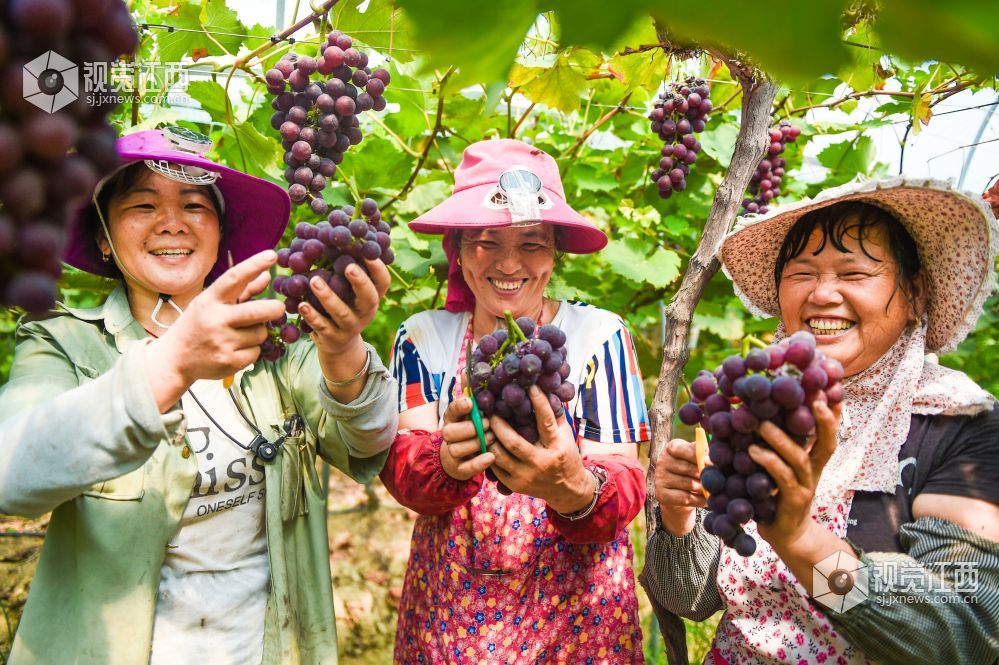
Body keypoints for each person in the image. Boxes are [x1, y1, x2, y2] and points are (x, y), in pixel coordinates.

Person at [0, 127, 398, 665]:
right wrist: (175, 361)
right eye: (142, 204)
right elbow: (10, 474)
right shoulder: (62, 343)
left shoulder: (273, 343)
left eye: (195, 205)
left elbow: (368, 439)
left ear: (219, 234)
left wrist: (344, 346)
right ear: (104, 238)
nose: (172, 221)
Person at [641, 178, 999, 664]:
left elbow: (962, 635)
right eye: (802, 272)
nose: (823, 294)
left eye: (854, 273)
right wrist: (680, 519)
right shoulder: (762, 408)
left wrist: (802, 543)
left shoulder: (957, 424)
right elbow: (694, 600)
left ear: (915, 293)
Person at [379, 139, 650, 663]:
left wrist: (575, 489)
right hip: (452, 618)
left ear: (554, 252)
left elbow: (624, 483)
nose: (508, 263)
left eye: (531, 243)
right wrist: (443, 465)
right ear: (456, 250)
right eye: (485, 241)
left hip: (578, 618)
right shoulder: (422, 338)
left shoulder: (598, 336)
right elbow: (405, 471)